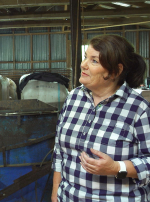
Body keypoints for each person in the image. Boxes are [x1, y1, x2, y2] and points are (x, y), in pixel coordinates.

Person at [51, 34, 150, 201]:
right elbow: (59, 152)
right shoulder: (73, 98)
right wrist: (55, 193)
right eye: (85, 57)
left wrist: (116, 168)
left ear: (116, 71)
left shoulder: (138, 108)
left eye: (94, 61)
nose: (83, 65)